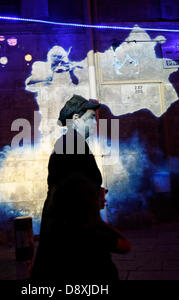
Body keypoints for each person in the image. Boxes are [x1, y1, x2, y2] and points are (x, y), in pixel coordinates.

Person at [31, 95, 131, 280]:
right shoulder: (71, 145)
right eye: (90, 117)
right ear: (76, 119)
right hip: (74, 236)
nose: (95, 123)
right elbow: (72, 195)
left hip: (73, 232)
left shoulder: (72, 144)